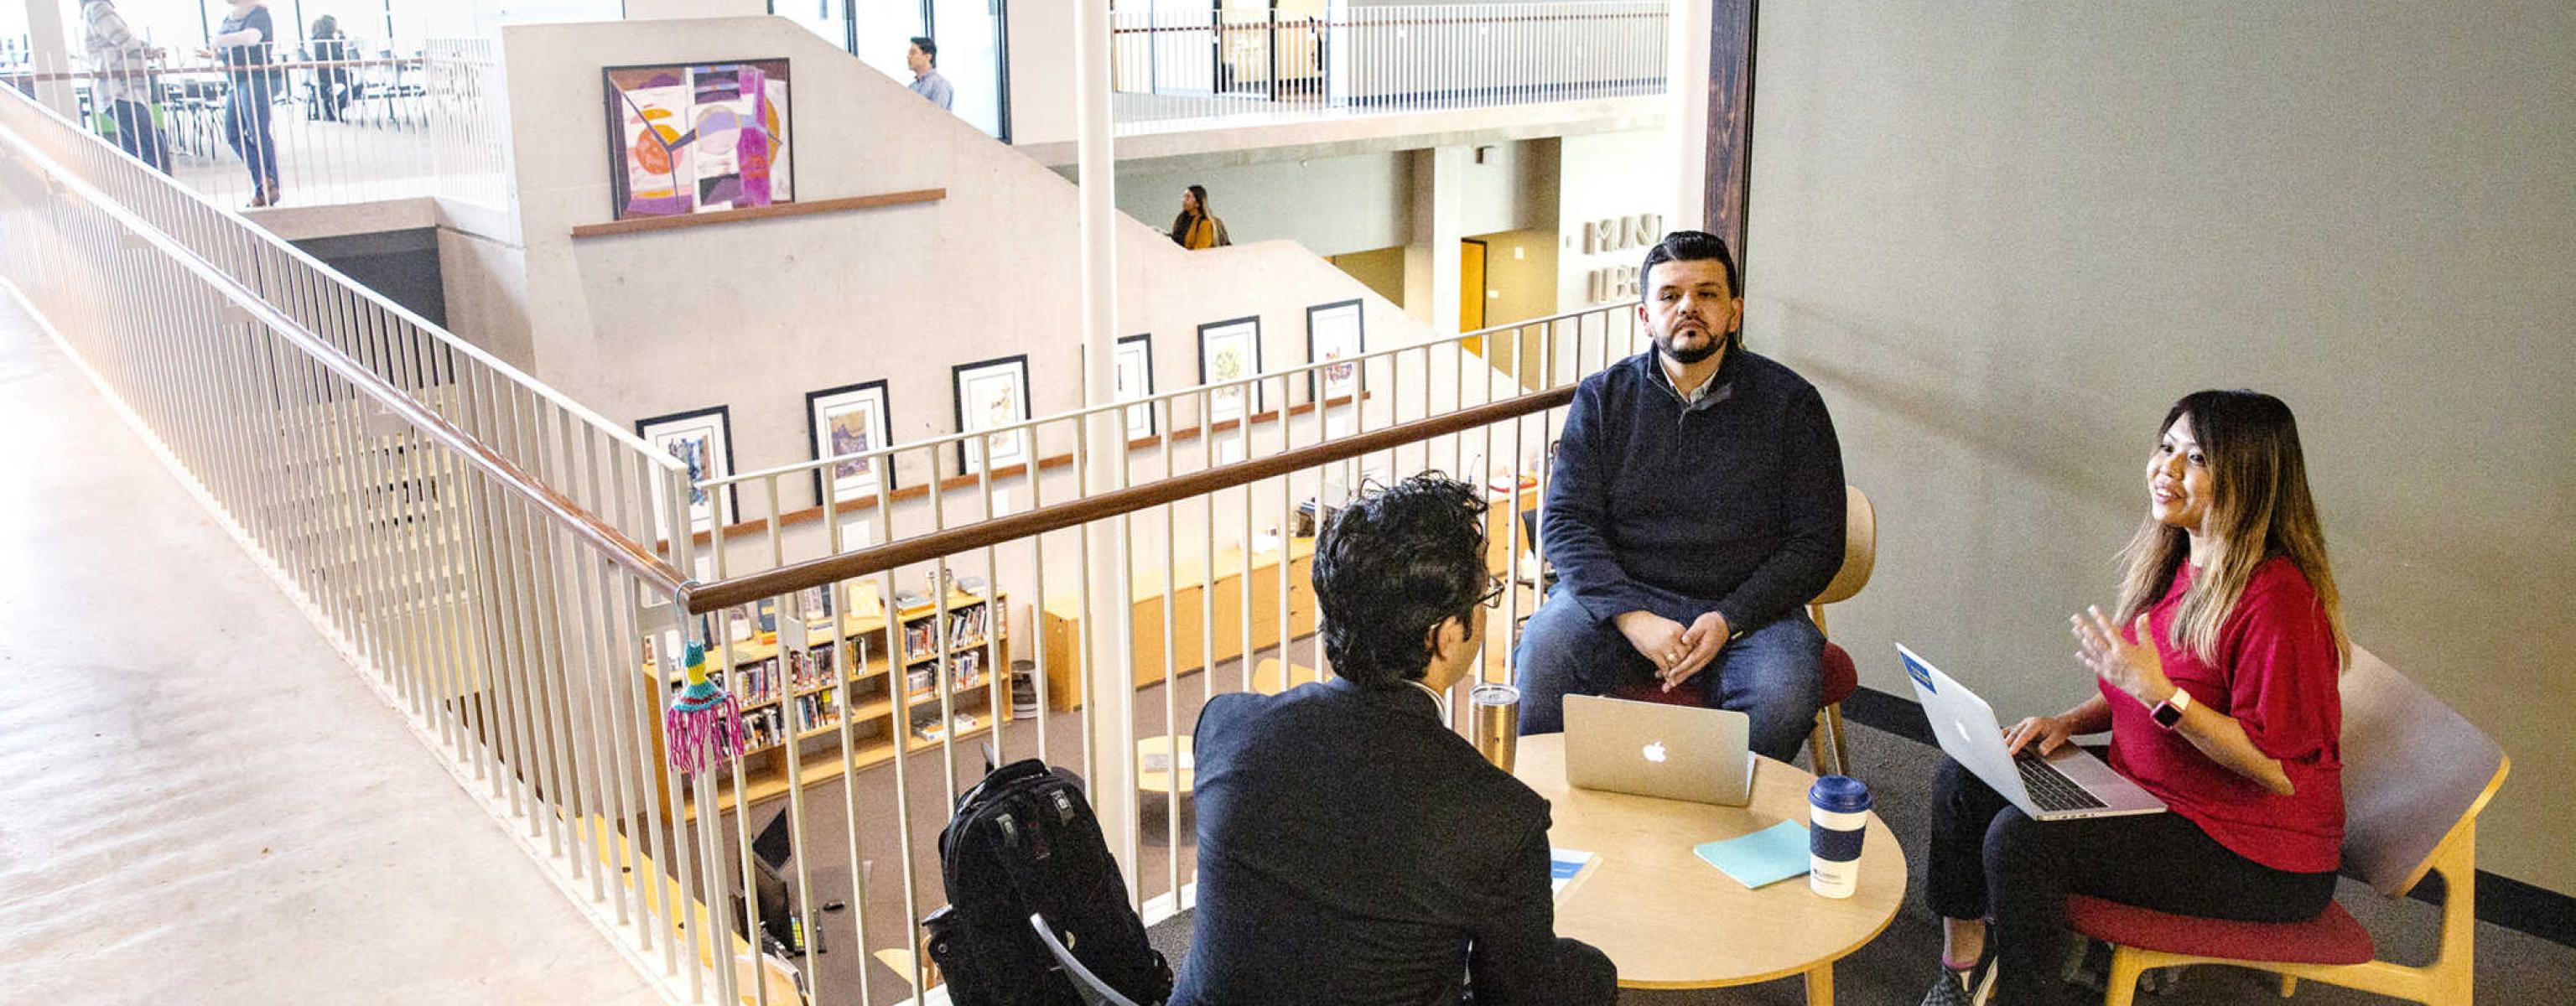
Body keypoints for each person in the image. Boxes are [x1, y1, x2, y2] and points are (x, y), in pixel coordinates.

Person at [1919, 389, 2349, 1006]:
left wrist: (2161, 695)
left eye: (2196, 458)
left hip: (2258, 855)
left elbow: (2276, 769)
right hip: (2156, 796)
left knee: (2022, 841)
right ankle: (1960, 975)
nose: (2167, 469)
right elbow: (2140, 686)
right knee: (1966, 777)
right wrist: (2069, 721)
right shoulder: (2182, 557)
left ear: (2251, 478)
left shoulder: (2280, 603)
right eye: (2167, 447)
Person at [1172, 474, 1618, 1006]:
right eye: (1485, 597)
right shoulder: (1499, 817)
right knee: (1589, 976)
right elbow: (1520, 994)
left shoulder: (1226, 726)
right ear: (1445, 636)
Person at [1511, 230, 1844, 765]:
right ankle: (1549, 823)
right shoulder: (1602, 398)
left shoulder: (1792, 404)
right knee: (1545, 652)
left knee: (1781, 698)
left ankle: (1729, 836)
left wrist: (1730, 616)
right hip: (1627, 596)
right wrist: (1631, 614)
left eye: (1707, 294)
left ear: (1733, 312)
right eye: (1670, 295)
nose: (1688, 306)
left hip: (1751, 610)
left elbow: (1818, 543)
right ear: (1646, 316)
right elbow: (1568, 524)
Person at [204, 0, 280, 207]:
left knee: (258, 131)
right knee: (233, 133)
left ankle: (266, 188)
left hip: (256, 77)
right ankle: (265, 181)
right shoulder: (230, 16)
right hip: (235, 79)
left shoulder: (258, 13)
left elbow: (251, 39)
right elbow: (232, 46)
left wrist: (218, 41)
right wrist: (217, 51)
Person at [80, 0, 169, 174]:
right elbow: (125, 40)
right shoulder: (99, 7)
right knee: (155, 147)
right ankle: (154, 194)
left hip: (119, 92)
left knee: (137, 150)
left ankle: (142, 194)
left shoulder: (94, 9)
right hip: (120, 91)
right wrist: (149, 50)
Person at [307, 14, 351, 122]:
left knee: (348, 78)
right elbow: (337, 57)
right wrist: (342, 40)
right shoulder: (328, 39)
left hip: (320, 74)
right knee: (353, 80)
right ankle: (337, 103)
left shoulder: (315, 39)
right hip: (330, 73)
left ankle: (329, 102)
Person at [1168, 184, 1230, 250]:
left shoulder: (1205, 223)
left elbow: (1200, 252)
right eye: (1184, 197)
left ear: (1198, 203)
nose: (1183, 200)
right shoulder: (1181, 219)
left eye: (1188, 197)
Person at [905, 36, 953, 111]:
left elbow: (935, 117)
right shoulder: (912, 87)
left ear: (927, 57)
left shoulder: (940, 84)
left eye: (913, 53)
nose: (908, 57)